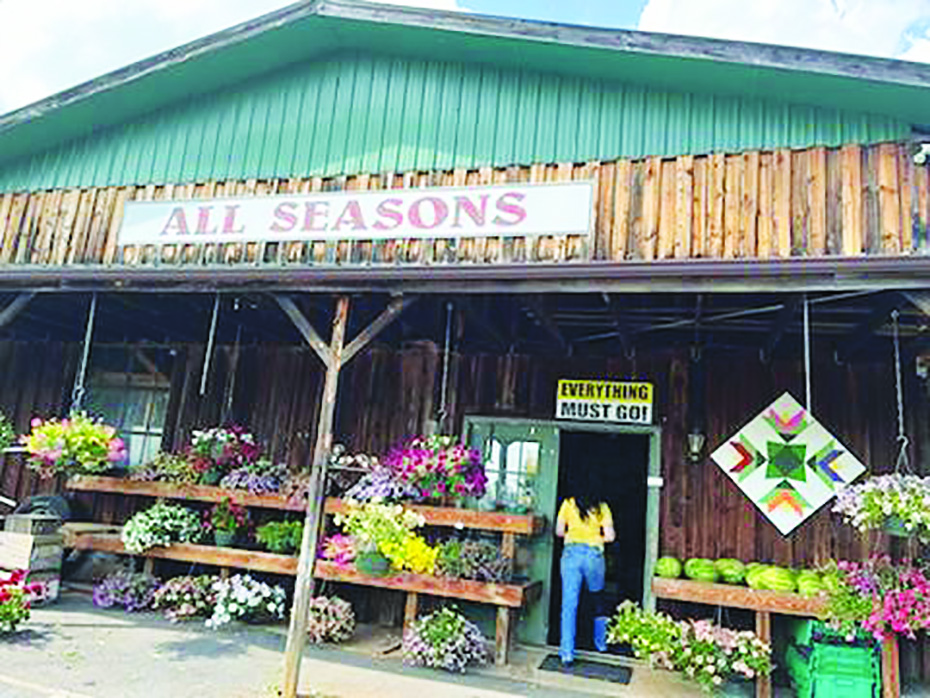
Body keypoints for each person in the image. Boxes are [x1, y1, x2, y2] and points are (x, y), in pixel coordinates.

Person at [555, 482, 615, 666]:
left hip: (571, 554)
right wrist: (596, 538)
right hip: (593, 555)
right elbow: (610, 536)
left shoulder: (567, 503)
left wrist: (573, 536)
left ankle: (567, 654)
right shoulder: (602, 507)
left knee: (569, 603)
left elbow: (558, 532)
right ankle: (601, 644)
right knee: (598, 596)